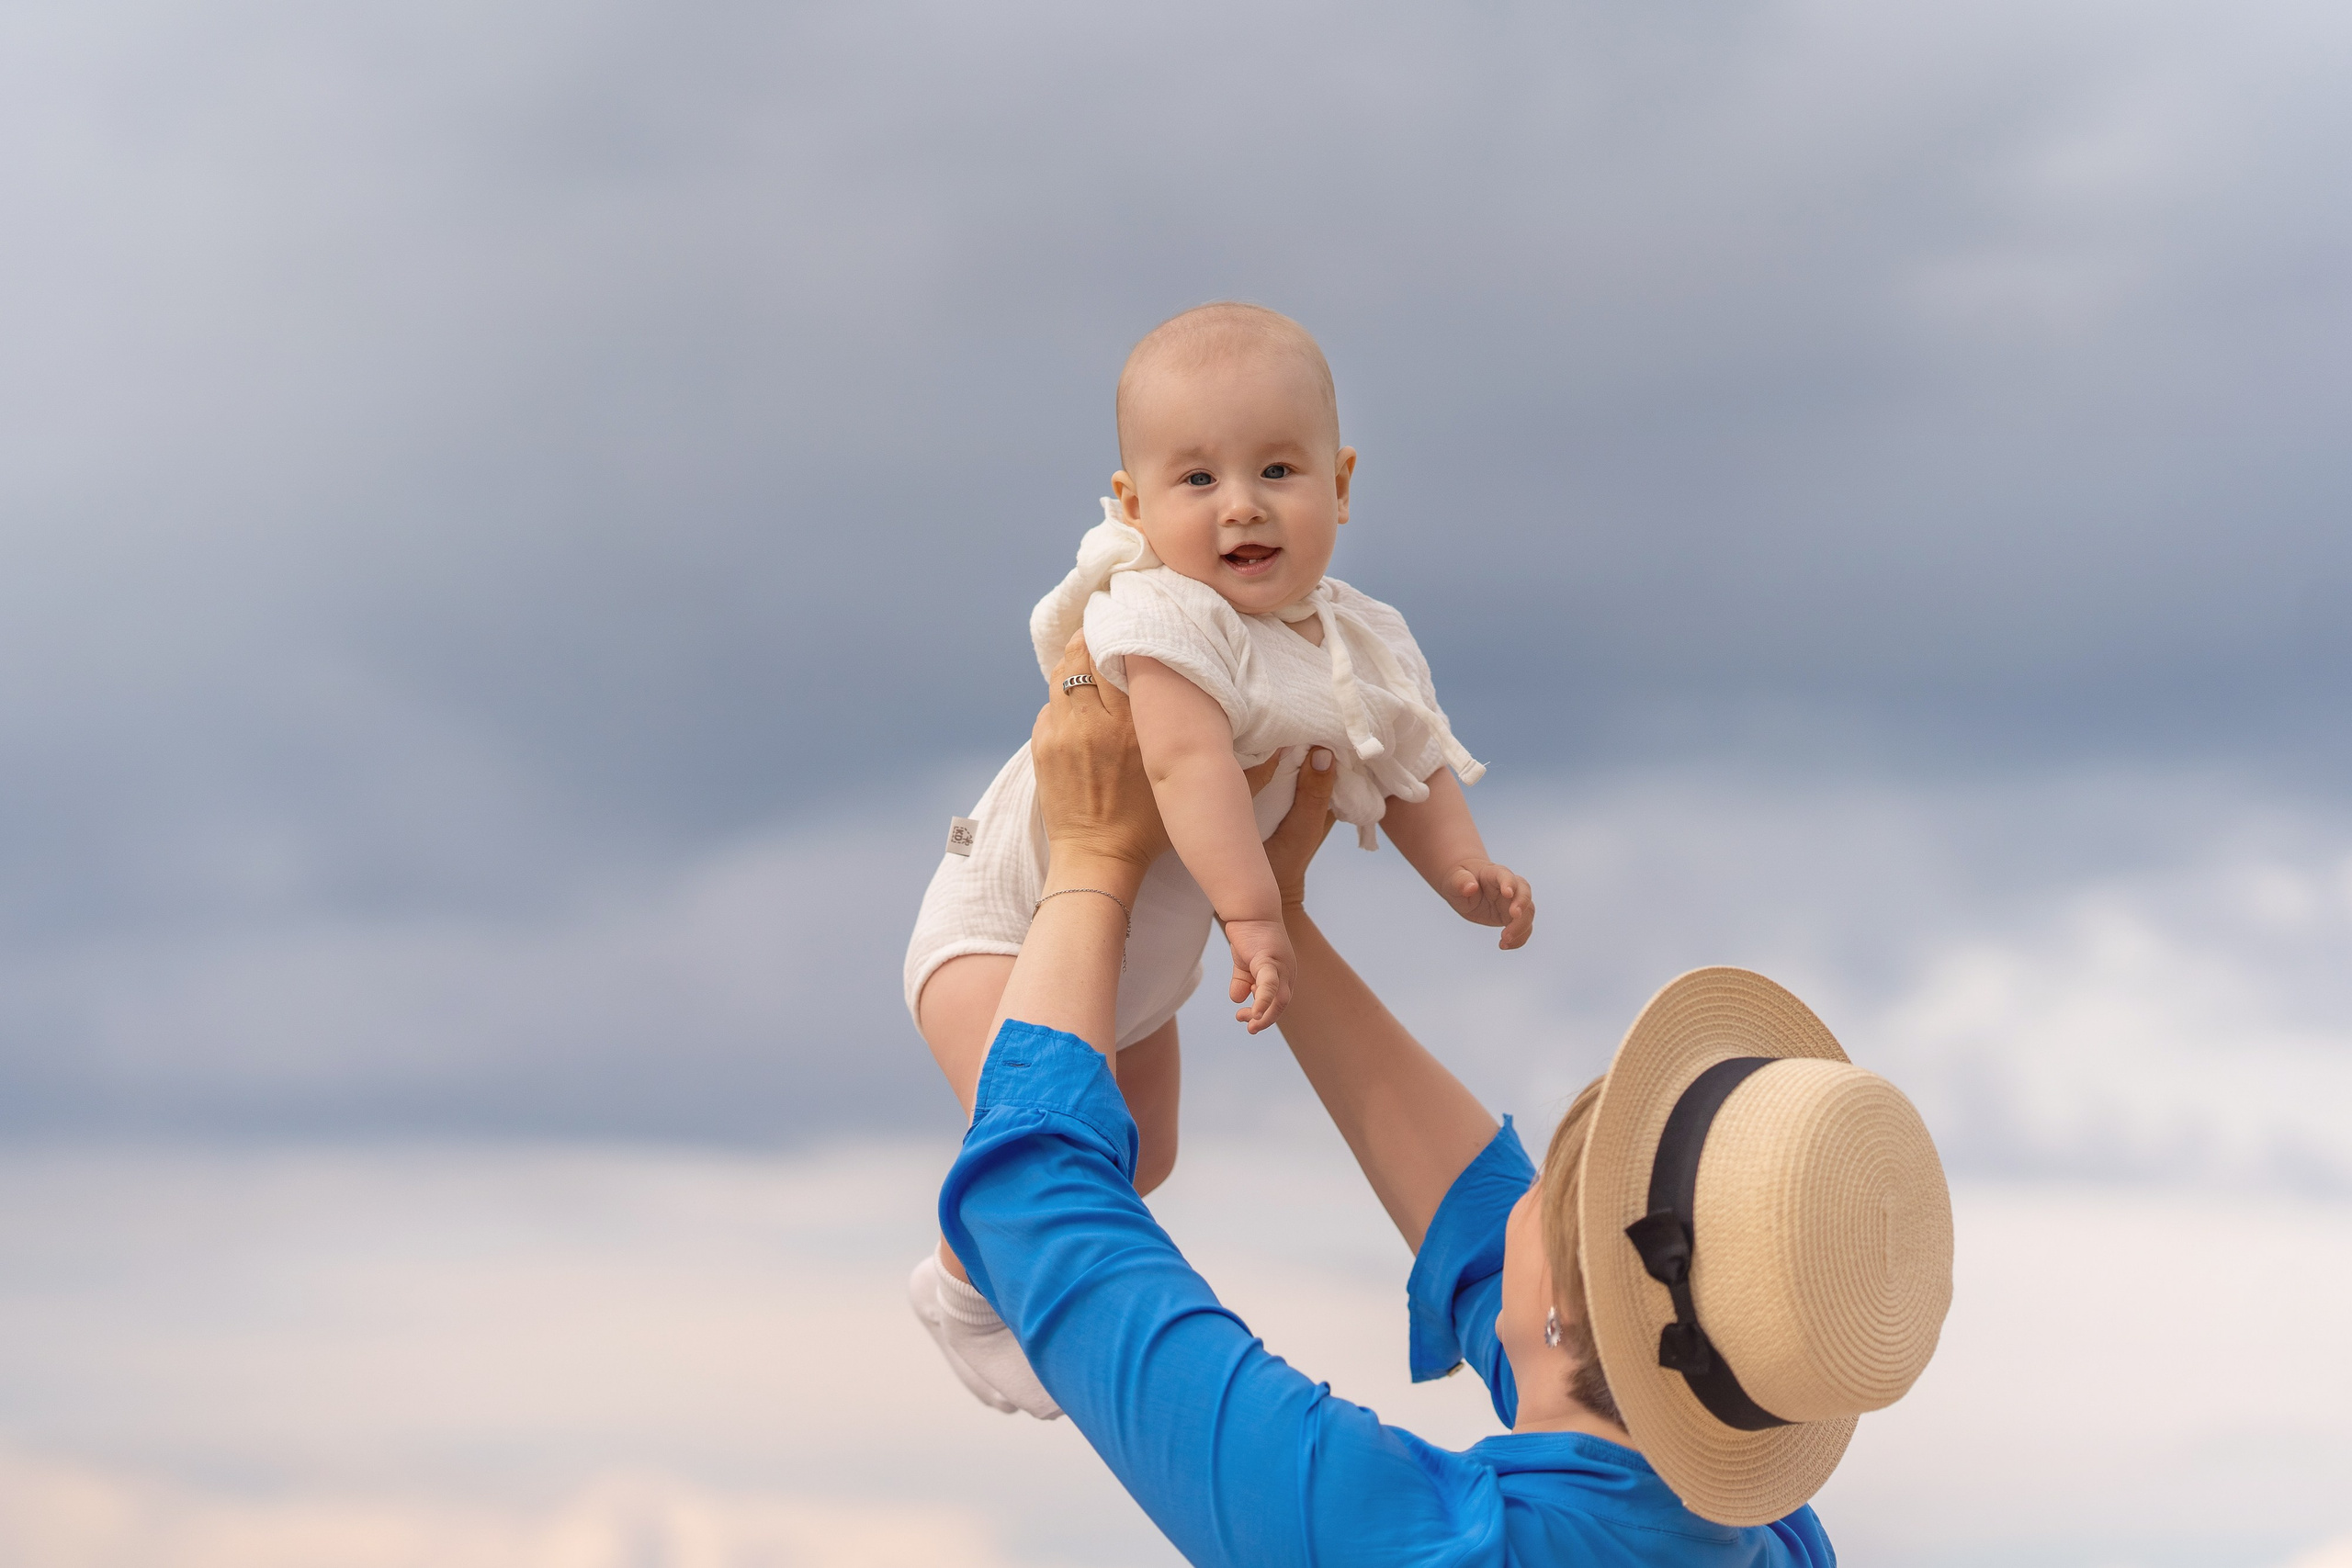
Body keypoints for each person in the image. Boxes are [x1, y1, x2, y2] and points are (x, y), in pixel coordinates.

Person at [935, 637, 1957, 1563]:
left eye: (1564, 1185)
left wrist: (1093, 859)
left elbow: (1029, 1199)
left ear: (1557, 1305)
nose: (1521, 1186)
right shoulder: (1763, 1541)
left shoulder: (1416, 1545)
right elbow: (1522, 1271)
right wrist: (1273, 918)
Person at [905, 302, 1533, 1418]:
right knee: (1050, 1160)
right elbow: (1188, 765)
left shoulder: (1361, 638)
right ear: (1132, 508)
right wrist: (1255, 917)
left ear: (1340, 485)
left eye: (1277, 469)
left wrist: (1464, 875)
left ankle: (997, 1282)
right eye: (1196, 482)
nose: (1241, 503)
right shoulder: (1161, 614)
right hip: (1001, 934)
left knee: (1144, 1159)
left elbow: (1411, 759)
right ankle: (961, 1289)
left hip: (1139, 977)